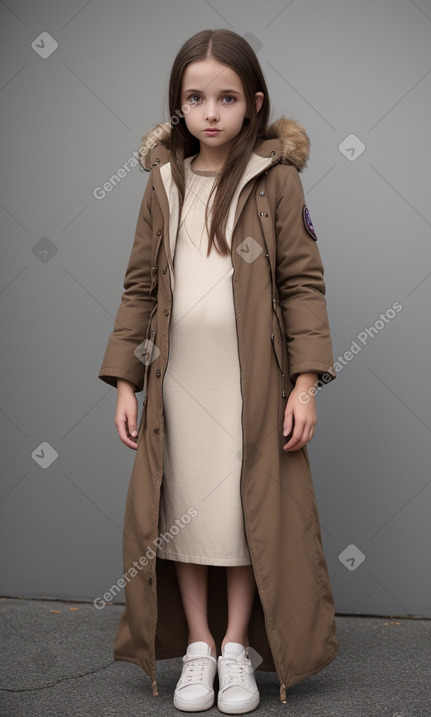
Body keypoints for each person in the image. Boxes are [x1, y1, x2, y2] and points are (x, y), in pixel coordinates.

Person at [98, 28, 338, 714]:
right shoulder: (163, 184)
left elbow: (302, 287)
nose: (210, 112)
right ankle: (197, 646)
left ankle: (238, 647)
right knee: (182, 518)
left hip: (252, 387)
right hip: (177, 384)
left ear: (253, 104)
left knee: (242, 517)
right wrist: (126, 380)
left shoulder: (276, 183)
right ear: (179, 108)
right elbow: (139, 288)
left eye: (226, 98)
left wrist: (304, 382)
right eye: (195, 98)